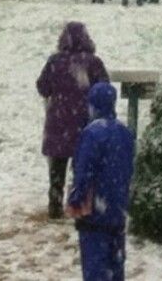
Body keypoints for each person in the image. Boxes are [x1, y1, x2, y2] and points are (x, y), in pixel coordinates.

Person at [35, 23, 109, 219]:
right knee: (82, 166)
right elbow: (104, 89)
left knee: (57, 166)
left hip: (58, 123)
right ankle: (80, 204)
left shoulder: (55, 62)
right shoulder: (93, 63)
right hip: (84, 122)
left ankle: (55, 203)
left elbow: (42, 87)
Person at [67, 82, 135, 281]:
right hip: (118, 210)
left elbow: (84, 172)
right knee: (116, 266)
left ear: (93, 105)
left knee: (96, 268)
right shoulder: (125, 132)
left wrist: (76, 199)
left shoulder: (92, 133)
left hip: (96, 213)